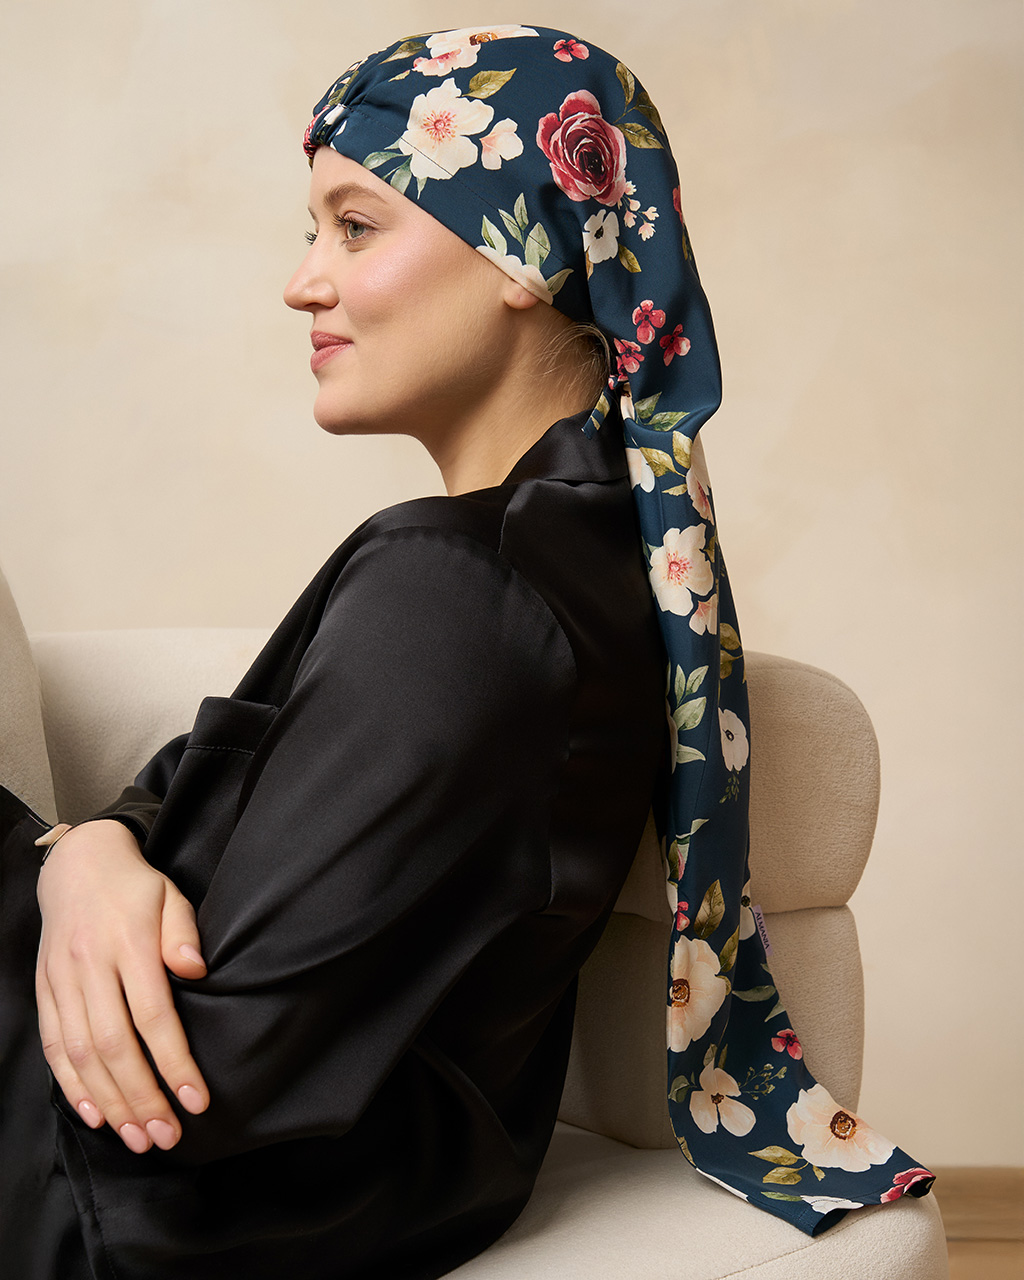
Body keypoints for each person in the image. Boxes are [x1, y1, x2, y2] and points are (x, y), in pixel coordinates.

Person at [0, 24, 935, 1280]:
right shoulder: (572, 557)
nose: (301, 283)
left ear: (521, 250)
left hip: (99, 1192)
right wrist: (83, 853)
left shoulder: (464, 590)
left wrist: (51, 867)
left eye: (355, 227)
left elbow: (209, 1072)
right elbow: (196, 776)